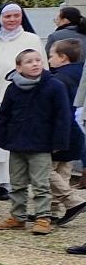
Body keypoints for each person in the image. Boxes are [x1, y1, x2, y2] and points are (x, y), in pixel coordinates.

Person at [0, 48, 73, 236]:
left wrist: (59, 142)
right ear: (19, 68)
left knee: (41, 184)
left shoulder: (54, 86)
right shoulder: (13, 88)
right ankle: (18, 217)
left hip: (41, 144)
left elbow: (62, 116)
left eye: (38, 60)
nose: (35, 64)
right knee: (17, 183)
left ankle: (43, 217)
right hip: (17, 142)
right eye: (29, 61)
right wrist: (2, 137)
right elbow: (5, 115)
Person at [0, 3, 41, 200]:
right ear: (0, 18)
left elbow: (40, 66)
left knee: (8, 142)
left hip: (17, 96)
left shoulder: (31, 39)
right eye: (7, 16)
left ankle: (7, 183)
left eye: (16, 16)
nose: (12, 20)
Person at [41, 39, 86, 226]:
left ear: (63, 58)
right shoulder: (80, 74)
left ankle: (73, 201)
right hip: (76, 132)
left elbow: (57, 111)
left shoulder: (58, 80)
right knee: (62, 173)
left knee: (44, 170)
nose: (49, 59)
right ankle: (51, 210)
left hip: (60, 132)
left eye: (51, 55)